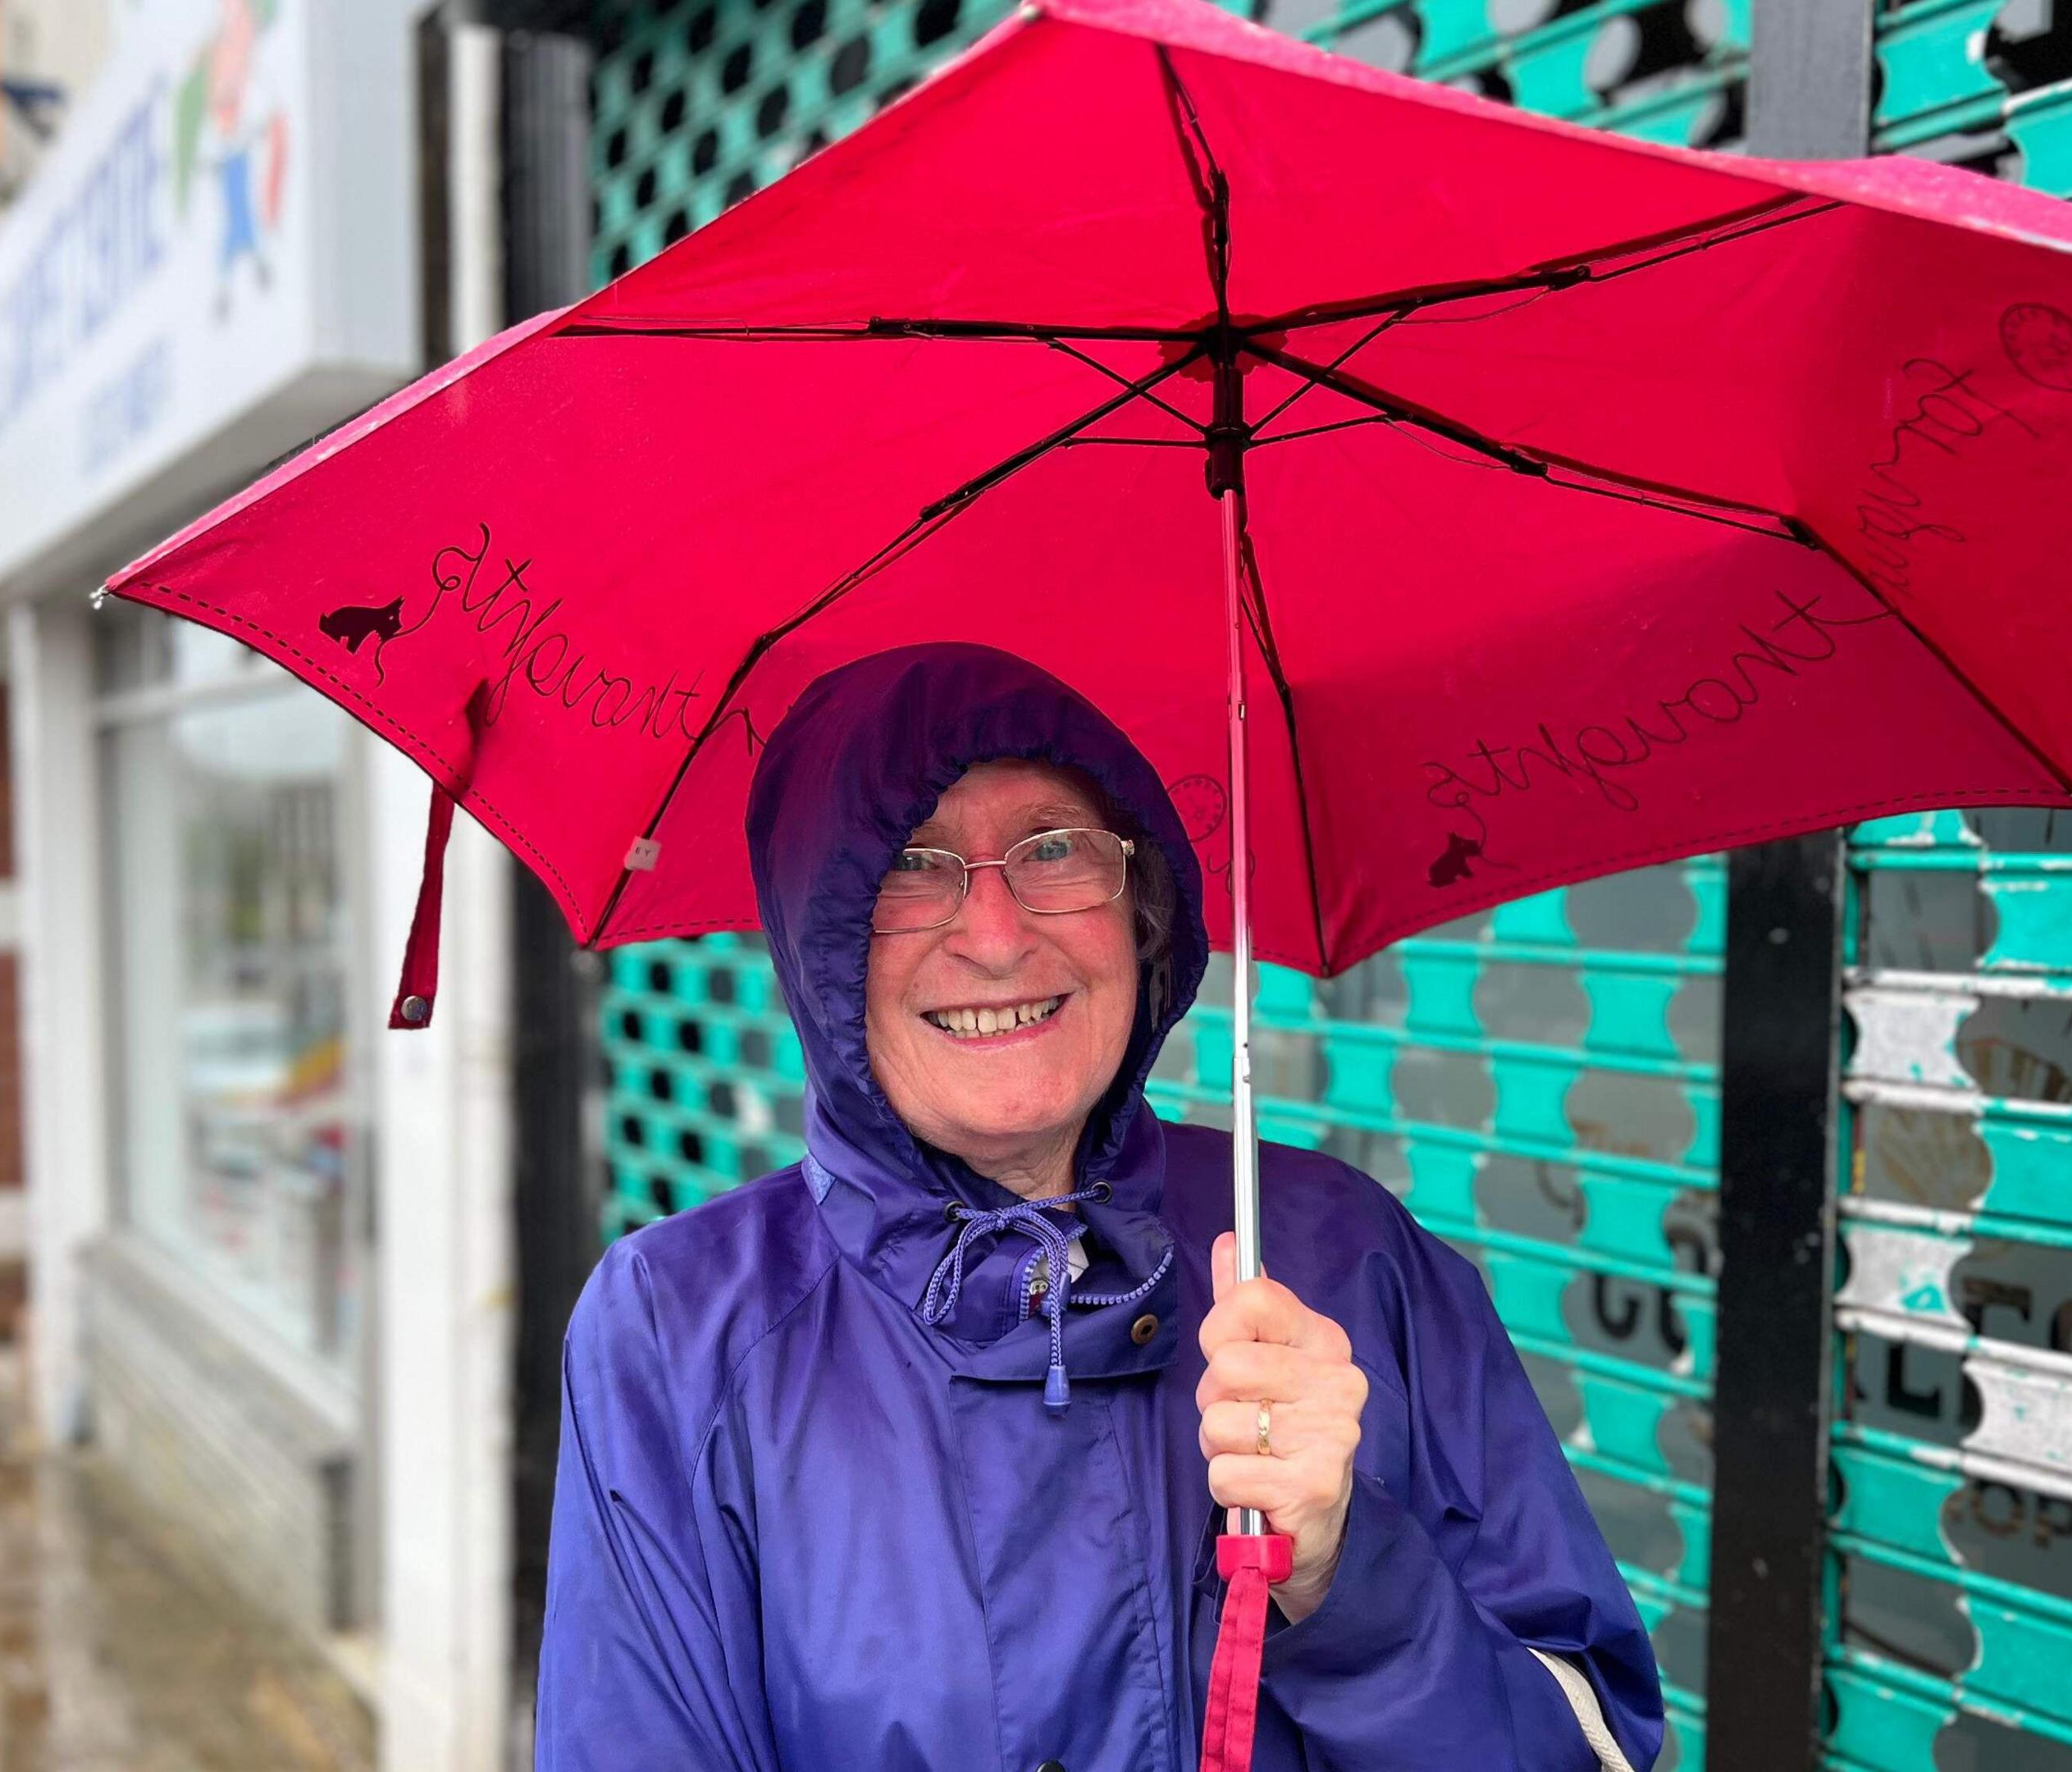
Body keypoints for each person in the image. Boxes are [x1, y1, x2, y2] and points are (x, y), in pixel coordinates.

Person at [536, 644, 1663, 1771]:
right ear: (817, 944)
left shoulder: (1350, 1256)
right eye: (912, 865)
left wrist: (1349, 1579)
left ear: (1146, 912)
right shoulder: (680, 1329)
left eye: (1055, 849)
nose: (993, 935)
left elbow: (1597, 1746)